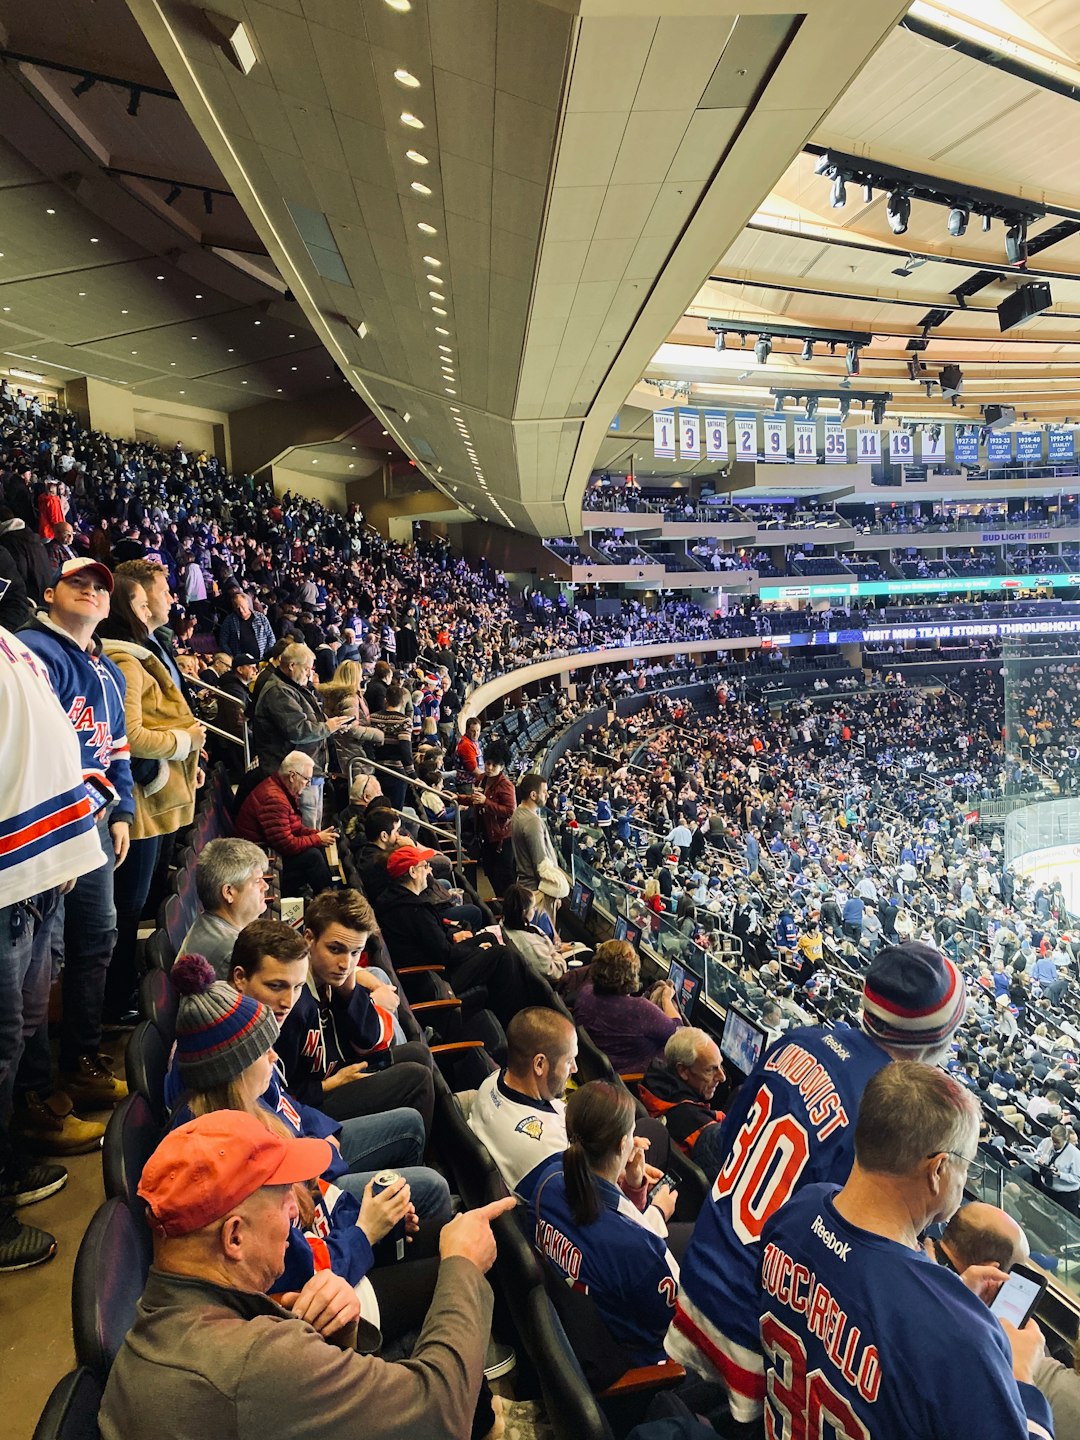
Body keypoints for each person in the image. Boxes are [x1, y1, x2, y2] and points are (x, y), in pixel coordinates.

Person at [667, 941, 967, 1425]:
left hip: (699, 1271)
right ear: (935, 1041)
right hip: (755, 1326)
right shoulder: (889, 1115)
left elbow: (727, 1146)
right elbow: (853, 1255)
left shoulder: (796, 1040)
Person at [98, 1109, 518, 1440]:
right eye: (282, 1198)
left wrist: (337, 1339)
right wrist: (462, 1264)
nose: (296, 1211)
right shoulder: (255, 1363)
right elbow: (440, 1417)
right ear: (235, 1237)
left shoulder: (155, 1319)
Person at [757, 1063, 1052, 1439]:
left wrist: (946, 1298)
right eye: (968, 1166)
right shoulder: (961, 1340)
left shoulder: (798, 1211)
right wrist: (1020, 1377)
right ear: (939, 1169)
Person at [0, 623, 108, 1269]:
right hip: (10, 876)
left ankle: (8, 1161)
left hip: (37, 873)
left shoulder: (12, 642)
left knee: (16, 1038)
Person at [20, 558, 133, 1108]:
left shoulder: (105, 668)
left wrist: (122, 813)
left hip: (91, 827)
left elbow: (118, 753)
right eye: (76, 583)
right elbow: (37, 756)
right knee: (44, 965)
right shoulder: (33, 652)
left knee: (95, 943)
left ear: (110, 606)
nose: (89, 592)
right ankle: (38, 1091)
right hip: (45, 833)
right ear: (48, 593)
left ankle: (81, 1061)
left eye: (98, 589)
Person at [98, 570, 205, 1020]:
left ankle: (124, 988)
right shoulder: (125, 660)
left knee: (138, 902)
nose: (165, 601)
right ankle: (116, 998)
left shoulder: (145, 651)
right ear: (131, 607)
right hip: (138, 804)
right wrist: (181, 747)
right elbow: (129, 735)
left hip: (152, 800)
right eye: (154, 597)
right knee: (129, 905)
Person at [532, 1081, 679, 1366]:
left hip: (582, 1320)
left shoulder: (547, 1178)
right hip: (635, 1366)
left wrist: (634, 1189)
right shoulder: (638, 1248)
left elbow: (610, 1221)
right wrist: (657, 1214)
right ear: (624, 1144)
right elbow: (677, 1324)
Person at [275, 889, 434, 1131]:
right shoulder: (292, 1003)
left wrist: (350, 990)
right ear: (309, 938)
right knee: (417, 1079)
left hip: (337, 1072)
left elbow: (368, 1038)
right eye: (335, 949)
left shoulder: (335, 981)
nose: (345, 964)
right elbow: (278, 1093)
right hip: (312, 1104)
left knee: (418, 1053)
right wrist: (331, 1084)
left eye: (355, 953)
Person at [374, 845, 530, 1027]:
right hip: (435, 977)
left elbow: (435, 941)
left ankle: (503, 1004)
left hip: (433, 967)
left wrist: (459, 939)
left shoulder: (398, 901)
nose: (429, 870)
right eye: (425, 866)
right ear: (413, 872)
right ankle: (516, 1021)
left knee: (489, 938)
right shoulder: (413, 910)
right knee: (503, 955)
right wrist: (475, 950)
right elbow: (445, 954)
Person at [468, 1007, 579, 1200]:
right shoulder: (549, 1151)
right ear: (539, 1065)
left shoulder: (492, 1081)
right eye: (569, 1061)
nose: (575, 1069)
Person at [252, 644, 352, 828]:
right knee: (306, 828)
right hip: (293, 775)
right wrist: (327, 727)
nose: (310, 673)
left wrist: (332, 726)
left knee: (314, 826)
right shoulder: (279, 691)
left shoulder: (291, 686)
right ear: (292, 666)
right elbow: (298, 731)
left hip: (308, 771)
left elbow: (309, 722)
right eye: (307, 668)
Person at [235, 752, 337, 897]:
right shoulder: (274, 799)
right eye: (306, 780)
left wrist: (316, 835)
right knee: (313, 856)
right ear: (292, 776)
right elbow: (287, 845)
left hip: (267, 849)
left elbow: (293, 828)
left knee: (317, 847)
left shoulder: (280, 789)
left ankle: (331, 893)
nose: (308, 784)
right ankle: (330, 899)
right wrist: (317, 838)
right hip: (256, 857)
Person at [573, 939, 682, 1076]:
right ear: (632, 973)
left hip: (589, 1074)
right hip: (627, 1083)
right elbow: (679, 1033)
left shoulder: (586, 992)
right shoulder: (640, 1009)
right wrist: (666, 999)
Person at [639, 1028, 727, 1179]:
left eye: (720, 1066)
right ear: (683, 1071)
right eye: (711, 1070)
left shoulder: (652, 1083)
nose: (722, 1077)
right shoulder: (698, 1126)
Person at [181, 838, 270, 977]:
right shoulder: (232, 952)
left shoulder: (208, 922)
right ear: (229, 892)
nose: (266, 886)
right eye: (257, 880)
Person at [498, 883, 572, 982]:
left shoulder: (504, 924)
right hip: (556, 966)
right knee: (586, 952)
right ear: (524, 912)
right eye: (533, 907)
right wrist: (558, 956)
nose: (535, 909)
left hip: (548, 953)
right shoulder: (530, 944)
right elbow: (554, 973)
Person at [473, 738, 516, 897]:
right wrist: (459, 798)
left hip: (502, 838)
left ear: (502, 766)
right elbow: (475, 799)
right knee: (490, 871)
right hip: (485, 834)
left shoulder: (506, 785)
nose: (489, 768)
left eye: (494, 765)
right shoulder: (481, 779)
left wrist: (486, 802)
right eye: (488, 763)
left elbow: (510, 810)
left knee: (504, 875)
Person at [511, 773, 560, 892]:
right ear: (533, 795)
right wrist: (553, 891)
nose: (547, 795)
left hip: (527, 887)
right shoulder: (532, 822)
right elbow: (540, 864)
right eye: (544, 791)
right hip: (536, 891)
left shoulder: (518, 812)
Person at [218, 587, 275, 659]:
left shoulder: (261, 617)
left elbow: (271, 637)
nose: (241, 611)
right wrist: (231, 656)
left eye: (243, 607)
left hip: (262, 658)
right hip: (241, 660)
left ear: (247, 604)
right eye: (238, 608)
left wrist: (267, 653)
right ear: (234, 608)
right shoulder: (229, 621)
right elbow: (223, 642)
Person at [1035, 1124, 1080, 1214]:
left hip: (1065, 1196)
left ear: (1065, 1139)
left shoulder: (1075, 1154)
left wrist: (1060, 1174)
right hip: (1046, 1188)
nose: (1054, 1144)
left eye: (1057, 1142)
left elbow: (1077, 1178)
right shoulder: (1046, 1142)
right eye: (1053, 1140)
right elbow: (1036, 1155)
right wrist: (1039, 1160)